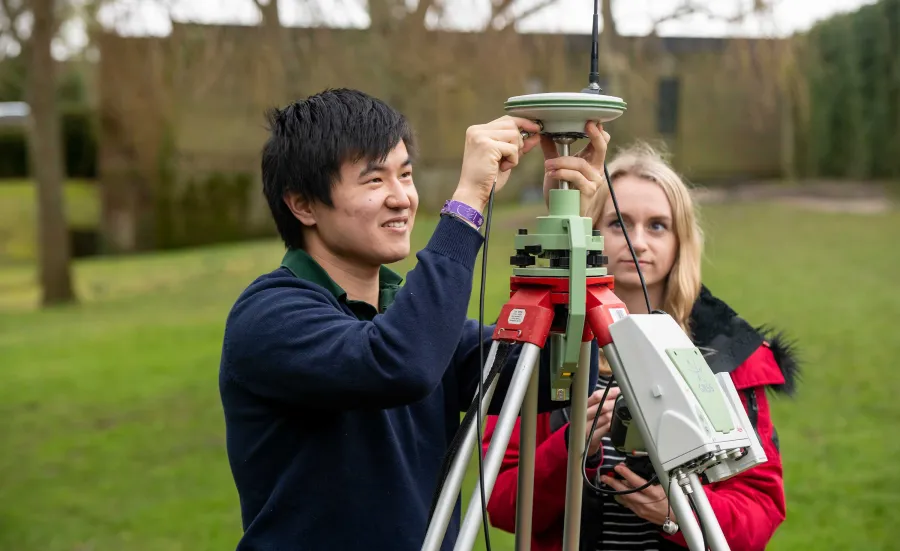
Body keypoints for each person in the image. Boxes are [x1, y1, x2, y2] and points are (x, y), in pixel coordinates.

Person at [217, 88, 608, 551]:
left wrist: (569, 227)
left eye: (405, 174)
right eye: (374, 180)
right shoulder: (269, 316)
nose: (402, 198)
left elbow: (553, 377)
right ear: (303, 204)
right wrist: (468, 203)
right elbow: (400, 362)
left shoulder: (409, 317)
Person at [482, 142, 800, 551]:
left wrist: (679, 512)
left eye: (657, 226)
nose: (638, 242)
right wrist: (571, 448)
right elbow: (500, 503)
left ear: (681, 240)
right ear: (590, 233)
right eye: (619, 224)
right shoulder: (542, 343)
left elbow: (759, 509)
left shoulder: (727, 354)